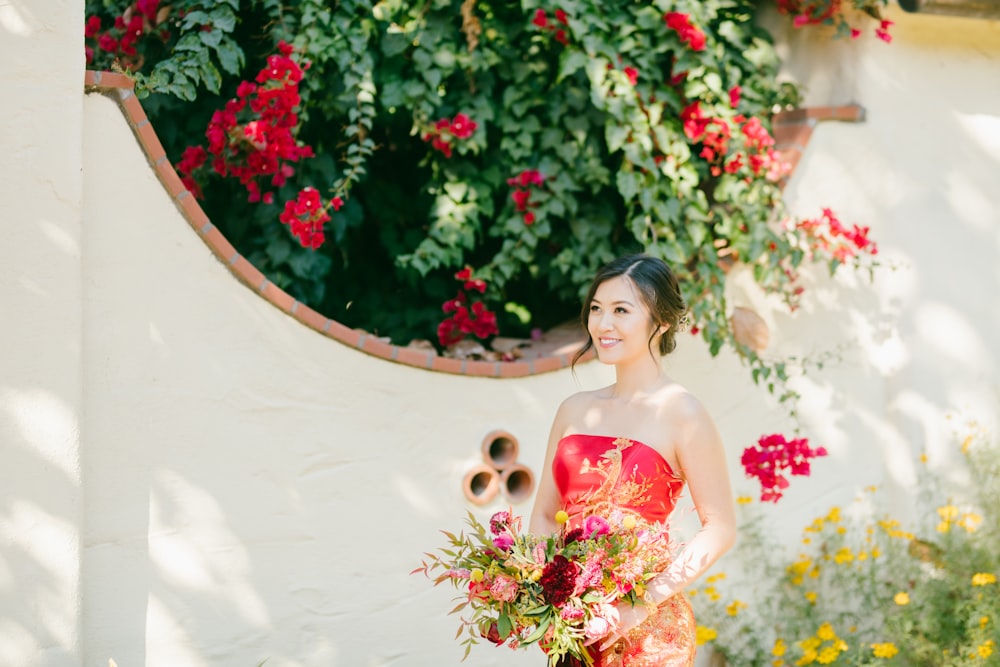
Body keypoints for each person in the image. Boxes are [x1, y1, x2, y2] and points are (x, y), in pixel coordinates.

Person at [529, 253, 736, 666]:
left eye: (621, 311)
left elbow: (721, 528)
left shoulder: (682, 412)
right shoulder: (574, 409)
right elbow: (544, 516)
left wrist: (641, 605)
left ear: (659, 322)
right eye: (596, 309)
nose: (603, 324)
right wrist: (543, 594)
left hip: (648, 632)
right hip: (574, 627)